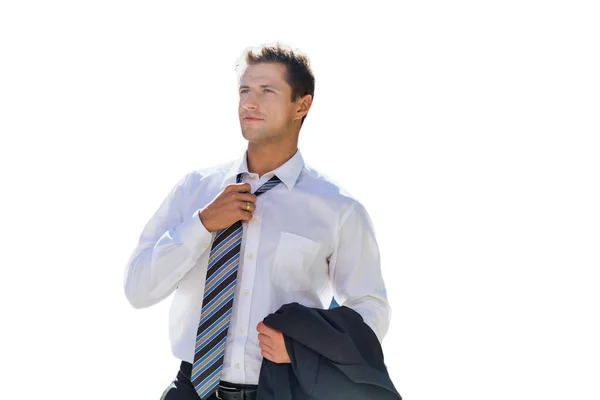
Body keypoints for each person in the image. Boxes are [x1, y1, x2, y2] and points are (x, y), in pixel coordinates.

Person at [123, 42, 392, 400]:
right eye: (244, 91)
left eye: (267, 91)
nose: (250, 102)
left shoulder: (338, 209)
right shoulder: (195, 190)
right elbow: (137, 289)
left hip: (283, 390)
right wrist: (202, 224)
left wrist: (306, 351)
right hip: (191, 389)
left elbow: (371, 309)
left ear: (302, 105)